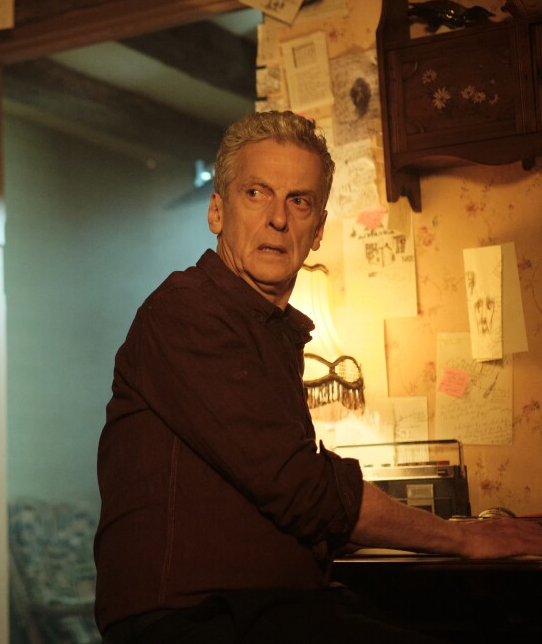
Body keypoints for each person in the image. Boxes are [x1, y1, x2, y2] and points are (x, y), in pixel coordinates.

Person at [94, 111, 542, 644]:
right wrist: (462, 538)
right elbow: (299, 486)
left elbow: (280, 504)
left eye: (299, 201)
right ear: (217, 210)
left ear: (319, 230)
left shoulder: (269, 331)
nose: (278, 219)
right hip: (196, 620)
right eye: (256, 193)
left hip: (266, 609)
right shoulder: (187, 313)